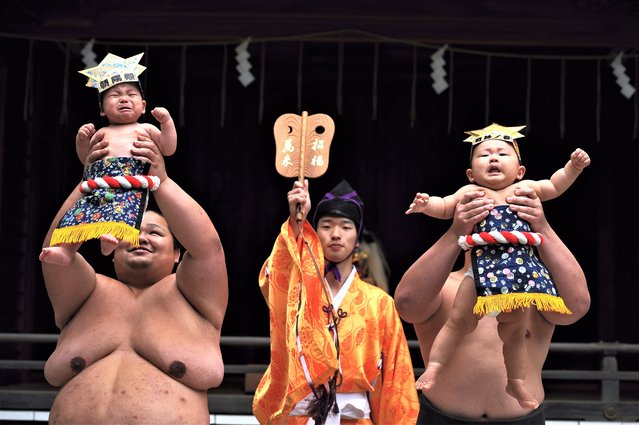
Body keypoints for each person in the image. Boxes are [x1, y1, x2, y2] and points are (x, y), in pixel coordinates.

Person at [39, 134, 228, 424]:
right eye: (129, 231)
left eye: (155, 232)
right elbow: (54, 251)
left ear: (178, 253)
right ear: (112, 249)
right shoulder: (86, 293)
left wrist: (160, 180)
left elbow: (207, 247)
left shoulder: (194, 298)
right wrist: (91, 183)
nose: (141, 238)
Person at [403, 123, 590, 410]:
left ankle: (516, 382)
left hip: (518, 278)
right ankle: (435, 367)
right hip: (444, 417)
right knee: (458, 322)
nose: (493, 158)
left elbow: (577, 305)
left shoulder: (525, 192)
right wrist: (451, 227)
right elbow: (406, 303)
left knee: (513, 332)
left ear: (520, 171)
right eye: (484, 155)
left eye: (502, 153)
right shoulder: (468, 195)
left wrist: (544, 225)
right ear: (470, 174)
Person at [252, 179, 419, 424]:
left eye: (346, 227)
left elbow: (396, 375)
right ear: (314, 234)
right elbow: (274, 276)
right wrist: (297, 223)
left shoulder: (379, 302)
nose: (336, 234)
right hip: (301, 416)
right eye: (326, 226)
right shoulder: (297, 293)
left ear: (358, 239)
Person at [40, 52, 177, 266]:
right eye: (114, 95)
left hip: (130, 183)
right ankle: (67, 252)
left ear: (142, 106)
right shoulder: (101, 132)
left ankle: (111, 243)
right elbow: (86, 160)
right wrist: (82, 140)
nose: (123, 98)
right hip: (98, 185)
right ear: (102, 109)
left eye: (131, 94)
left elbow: (168, 148)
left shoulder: (146, 128)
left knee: (126, 217)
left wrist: (166, 123)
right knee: (78, 216)